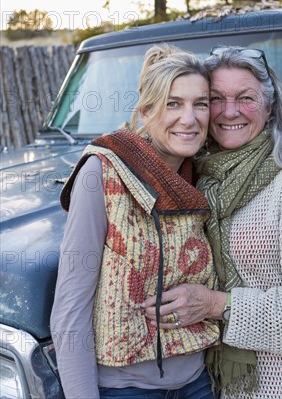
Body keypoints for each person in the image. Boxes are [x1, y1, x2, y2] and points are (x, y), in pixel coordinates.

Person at [143, 46, 282, 398]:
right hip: (232, 387)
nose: (230, 111)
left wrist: (214, 304)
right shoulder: (198, 177)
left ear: (270, 107)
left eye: (246, 98)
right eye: (216, 98)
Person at [50, 44, 221, 399]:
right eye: (173, 103)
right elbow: (70, 308)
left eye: (200, 103)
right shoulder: (102, 172)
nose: (189, 119)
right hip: (126, 389)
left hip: (197, 382)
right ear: (146, 110)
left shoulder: (203, 174)